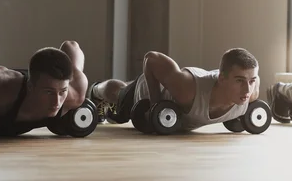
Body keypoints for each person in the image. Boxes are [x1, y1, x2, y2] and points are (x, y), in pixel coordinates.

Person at [88, 48, 260, 131]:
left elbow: (251, 84)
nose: (247, 88)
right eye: (239, 81)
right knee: (119, 94)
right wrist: (155, 103)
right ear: (222, 78)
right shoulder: (188, 90)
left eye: (251, 80)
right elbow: (151, 58)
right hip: (148, 90)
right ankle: (96, 90)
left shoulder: (251, 91)